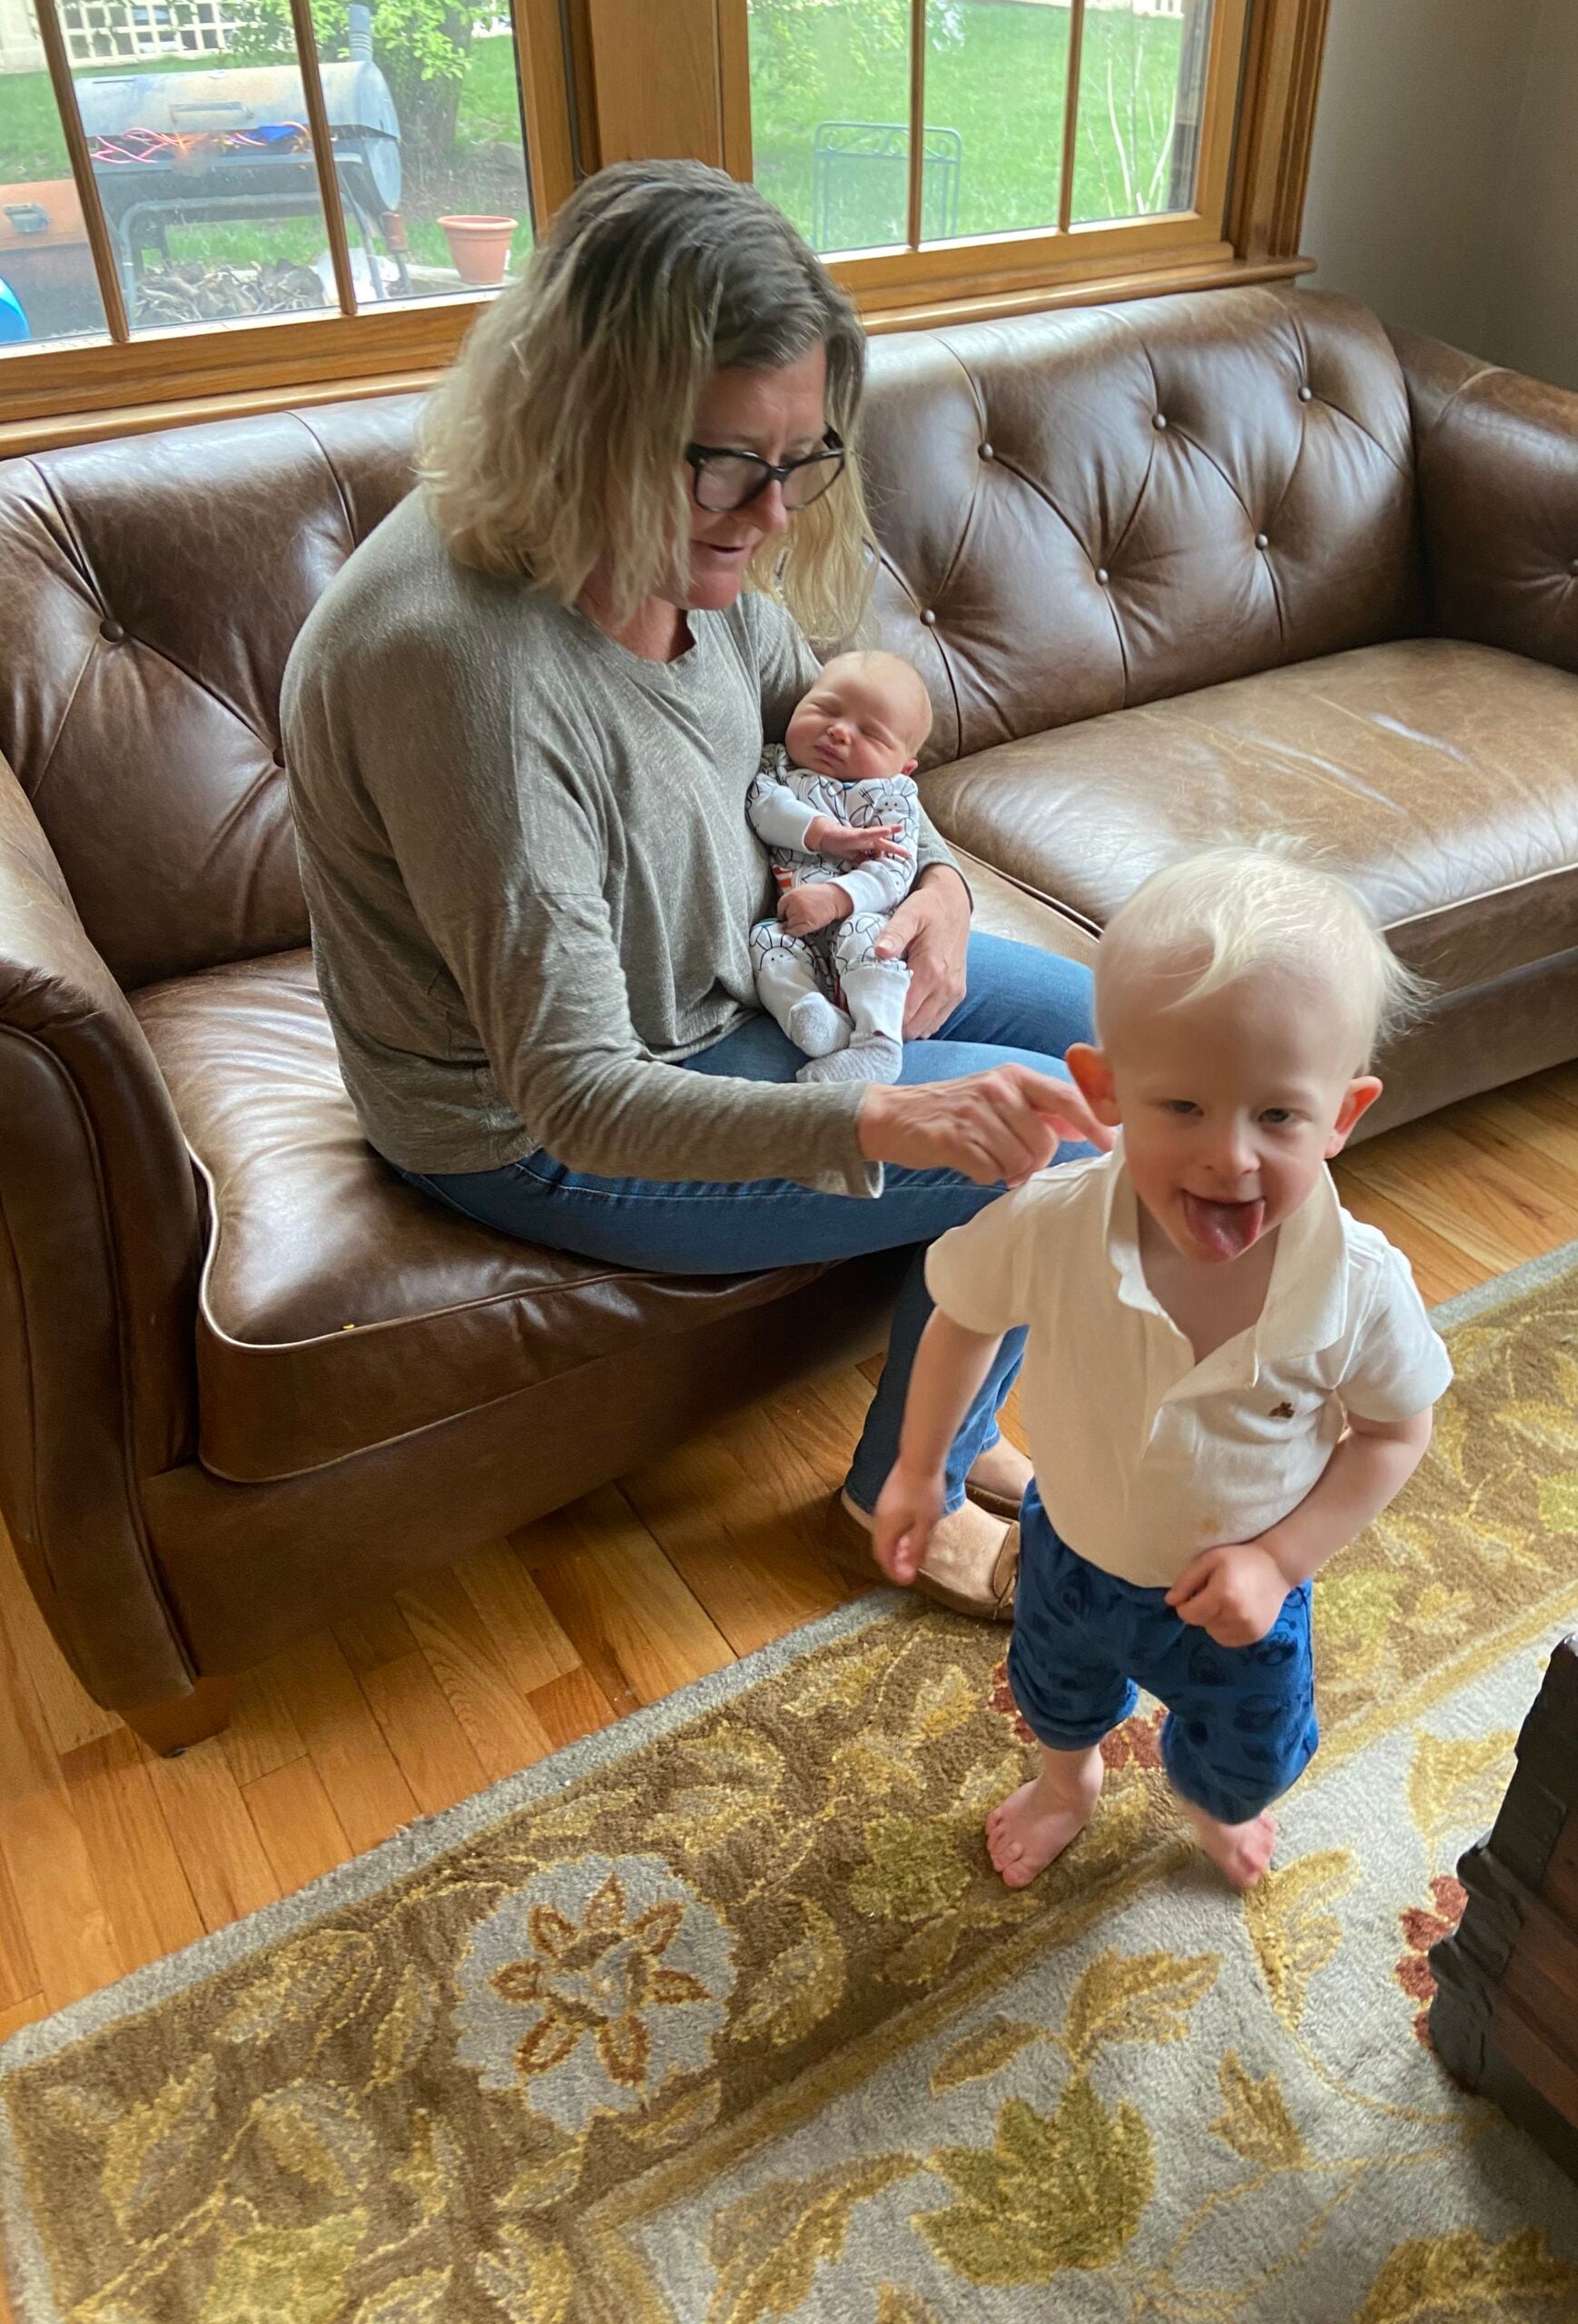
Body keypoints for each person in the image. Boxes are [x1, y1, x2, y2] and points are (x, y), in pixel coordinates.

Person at [281, 159, 1110, 1623]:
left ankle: (948, 1421)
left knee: (1126, 1052)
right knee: (1072, 1151)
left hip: (756, 961)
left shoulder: (687, 551)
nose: (770, 515)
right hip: (539, 1117)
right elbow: (579, 1094)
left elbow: (835, 747)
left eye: (802, 463)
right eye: (727, 462)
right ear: (573, 419)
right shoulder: (463, 670)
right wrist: (885, 1112)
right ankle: (900, 1489)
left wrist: (941, 891)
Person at [872, 843, 1453, 1888]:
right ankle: (1067, 1785)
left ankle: (1212, 1804)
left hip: (1239, 1590)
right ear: (1104, 1092)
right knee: (1055, 1698)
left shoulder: (1359, 1284)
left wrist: (1281, 1559)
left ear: (1343, 1117)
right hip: (1072, 1549)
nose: (1228, 1156)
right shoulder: (1052, 1223)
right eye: (1182, 1107)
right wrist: (923, 1467)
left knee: (1244, 1758)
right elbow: (962, 1312)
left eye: (1277, 1114)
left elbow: (1396, 1429)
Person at [746, 648, 932, 1086]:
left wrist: (836, 898)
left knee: (869, 940)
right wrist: (823, 834)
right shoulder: (777, 765)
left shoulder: (893, 797)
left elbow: (893, 872)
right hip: (794, 926)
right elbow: (763, 807)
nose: (838, 731)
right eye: (825, 709)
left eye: (871, 733)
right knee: (765, 942)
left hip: (862, 917)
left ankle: (878, 1043)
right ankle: (817, 1023)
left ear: (902, 768)